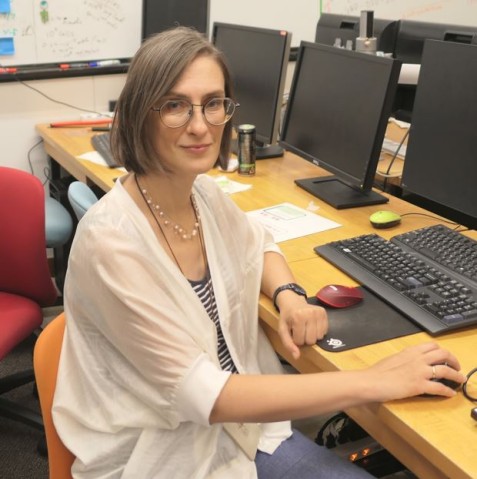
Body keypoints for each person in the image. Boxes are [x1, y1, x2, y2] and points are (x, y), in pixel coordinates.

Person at [52, 27, 466, 479]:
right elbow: (208, 397)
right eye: (174, 106)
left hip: (241, 431)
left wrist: (288, 293)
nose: (199, 125)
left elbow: (259, 242)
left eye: (213, 103)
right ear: (139, 115)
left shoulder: (201, 196)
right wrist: (376, 380)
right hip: (163, 454)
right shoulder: (111, 242)